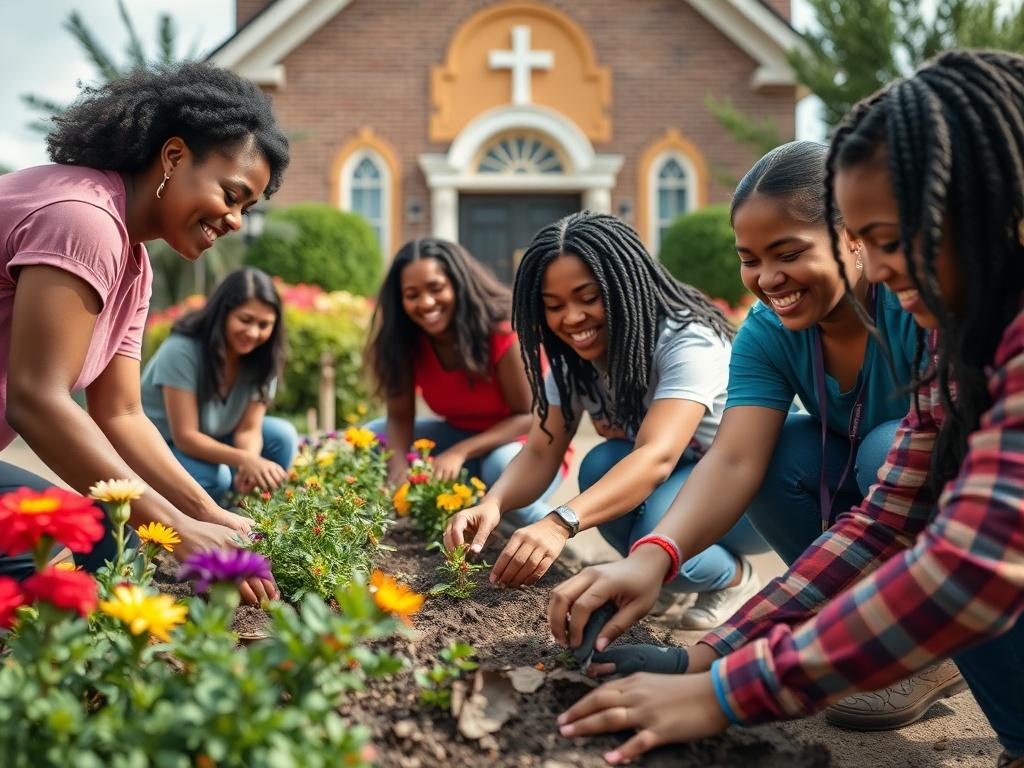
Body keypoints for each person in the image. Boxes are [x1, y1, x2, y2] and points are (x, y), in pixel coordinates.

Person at [548, 50, 1024, 768]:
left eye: (889, 242)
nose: (884, 267)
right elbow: (883, 520)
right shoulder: (957, 346)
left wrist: (731, 694)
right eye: (870, 242)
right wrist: (710, 657)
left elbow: (976, 564)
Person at [0, 62, 289, 605]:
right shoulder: (82, 219)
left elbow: (121, 414)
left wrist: (205, 512)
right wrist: (178, 531)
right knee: (92, 545)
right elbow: (37, 401)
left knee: (112, 537)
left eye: (247, 209)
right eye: (231, 195)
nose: (234, 220)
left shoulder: (134, 261)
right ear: (174, 157)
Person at [444, 212, 764, 606]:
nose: (572, 318)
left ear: (624, 286)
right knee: (601, 465)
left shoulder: (687, 341)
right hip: (681, 477)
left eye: (588, 297)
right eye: (553, 305)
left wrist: (559, 523)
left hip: (744, 488)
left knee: (650, 538)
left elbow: (656, 456)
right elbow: (541, 450)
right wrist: (492, 503)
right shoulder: (570, 360)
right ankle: (671, 577)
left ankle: (732, 579)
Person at [365, 237, 559, 525]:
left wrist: (459, 452)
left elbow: (530, 417)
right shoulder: (404, 341)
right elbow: (399, 418)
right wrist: (398, 473)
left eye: (436, 288)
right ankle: (468, 511)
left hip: (528, 444)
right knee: (373, 439)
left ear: (457, 283)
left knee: (500, 469)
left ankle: (554, 534)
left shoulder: (503, 330)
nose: (426, 302)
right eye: (412, 294)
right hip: (461, 436)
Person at [141, 267, 297, 504]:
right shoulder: (181, 350)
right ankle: (201, 528)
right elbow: (185, 437)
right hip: (162, 448)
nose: (253, 332)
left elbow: (248, 429)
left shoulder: (263, 359)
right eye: (245, 320)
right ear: (222, 314)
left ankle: (251, 515)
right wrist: (244, 460)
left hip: (211, 440)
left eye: (264, 324)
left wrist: (250, 462)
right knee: (214, 477)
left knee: (281, 436)